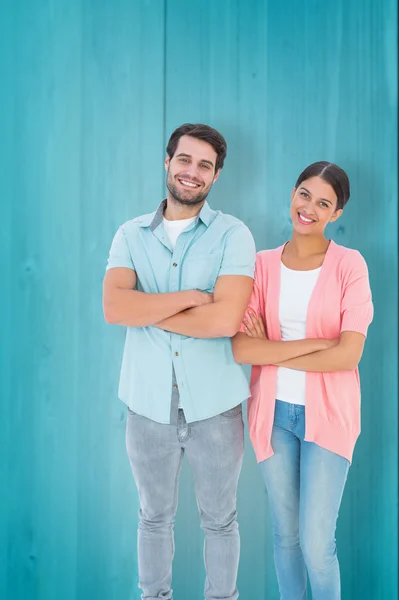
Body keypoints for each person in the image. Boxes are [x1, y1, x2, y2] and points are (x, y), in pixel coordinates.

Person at [103, 123, 256, 600]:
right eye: (185, 160)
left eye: (205, 166)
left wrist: (149, 308)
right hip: (148, 406)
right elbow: (115, 309)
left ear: (214, 178)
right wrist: (193, 298)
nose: (193, 172)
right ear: (167, 163)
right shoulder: (129, 234)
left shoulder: (234, 234)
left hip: (217, 406)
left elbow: (226, 319)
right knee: (152, 517)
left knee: (221, 519)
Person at [232, 162, 373, 600]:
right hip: (272, 416)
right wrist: (316, 344)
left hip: (328, 418)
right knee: (286, 536)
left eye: (324, 203)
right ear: (293, 194)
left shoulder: (350, 265)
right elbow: (242, 349)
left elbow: (350, 353)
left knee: (316, 545)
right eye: (304, 194)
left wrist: (275, 350)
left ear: (337, 213)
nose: (309, 208)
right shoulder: (261, 265)